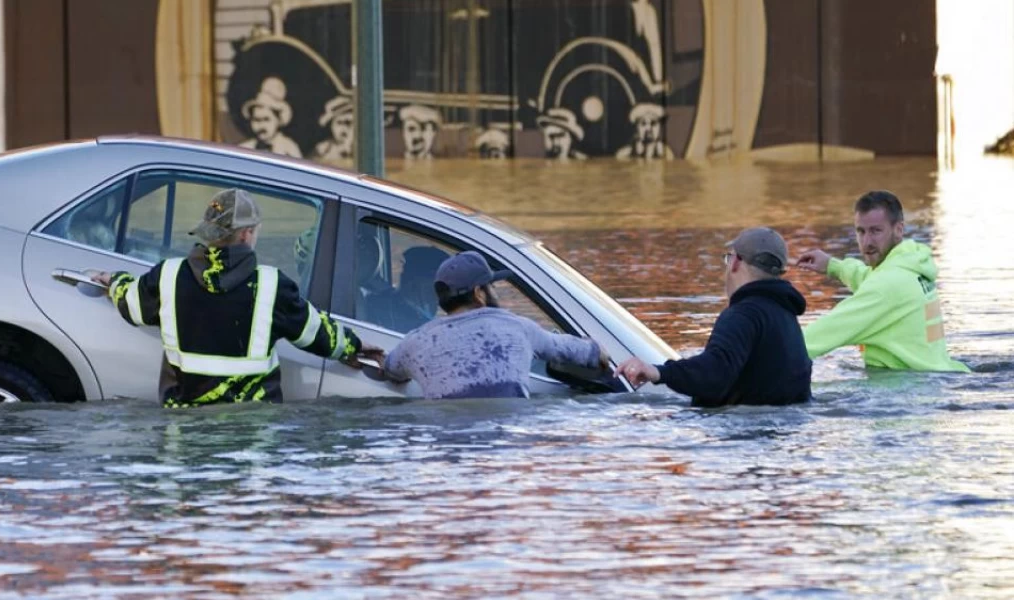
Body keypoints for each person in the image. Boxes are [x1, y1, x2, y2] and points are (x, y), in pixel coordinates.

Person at [92, 188, 378, 407]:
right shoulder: (272, 285)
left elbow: (131, 304)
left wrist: (115, 281)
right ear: (246, 234)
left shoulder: (168, 276)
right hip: (252, 438)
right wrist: (355, 347)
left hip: (184, 434)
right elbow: (319, 335)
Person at [618, 227, 812, 406]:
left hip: (743, 436)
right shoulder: (787, 317)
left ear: (736, 262)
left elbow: (715, 372)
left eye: (728, 259)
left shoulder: (742, 315)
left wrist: (660, 372)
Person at [377, 251, 608, 399]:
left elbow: (391, 370)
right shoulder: (518, 328)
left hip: (448, 452)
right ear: (479, 293)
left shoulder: (416, 342)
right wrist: (601, 352)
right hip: (506, 446)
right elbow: (589, 353)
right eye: (492, 286)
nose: (494, 291)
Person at [796, 191, 969, 372]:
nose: (867, 241)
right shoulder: (912, 265)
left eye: (876, 231)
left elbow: (822, 334)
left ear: (899, 229)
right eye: (861, 231)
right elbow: (872, 280)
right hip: (936, 378)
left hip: (905, 389)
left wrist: (771, 352)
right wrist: (833, 266)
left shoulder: (887, 286)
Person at [363, 246, 451, 332]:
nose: (439, 296)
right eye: (438, 285)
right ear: (415, 282)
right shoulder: (380, 308)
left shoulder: (425, 318)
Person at [239, 77, 302, 158]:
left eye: (266, 119)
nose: (261, 125)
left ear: (278, 120)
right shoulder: (244, 149)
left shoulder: (289, 150)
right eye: (256, 120)